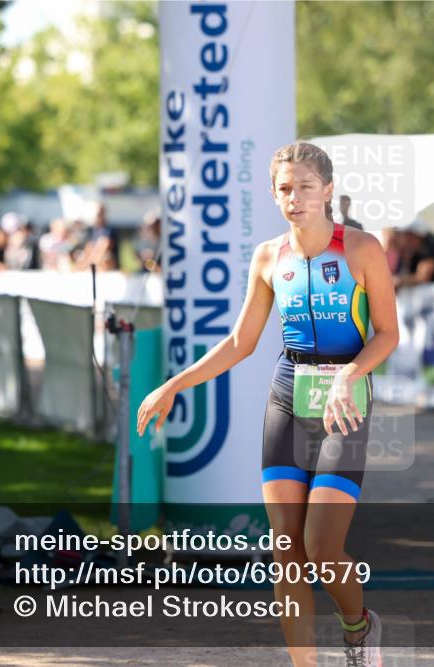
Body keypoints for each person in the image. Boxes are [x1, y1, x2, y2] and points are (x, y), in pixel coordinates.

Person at [136, 142, 397, 667]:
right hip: (287, 397)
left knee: (322, 548)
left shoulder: (362, 249)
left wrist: (350, 374)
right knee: (287, 552)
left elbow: (388, 334)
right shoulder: (268, 257)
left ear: (327, 190)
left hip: (344, 406)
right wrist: (174, 384)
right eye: (285, 189)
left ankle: (358, 627)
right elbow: (240, 342)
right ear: (274, 195)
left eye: (305, 187)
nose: (295, 198)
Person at [393, 219, 434, 289]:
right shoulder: (414, 251)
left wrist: (399, 280)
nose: (405, 239)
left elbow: (422, 277)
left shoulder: (430, 249)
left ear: (416, 235)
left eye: (408, 235)